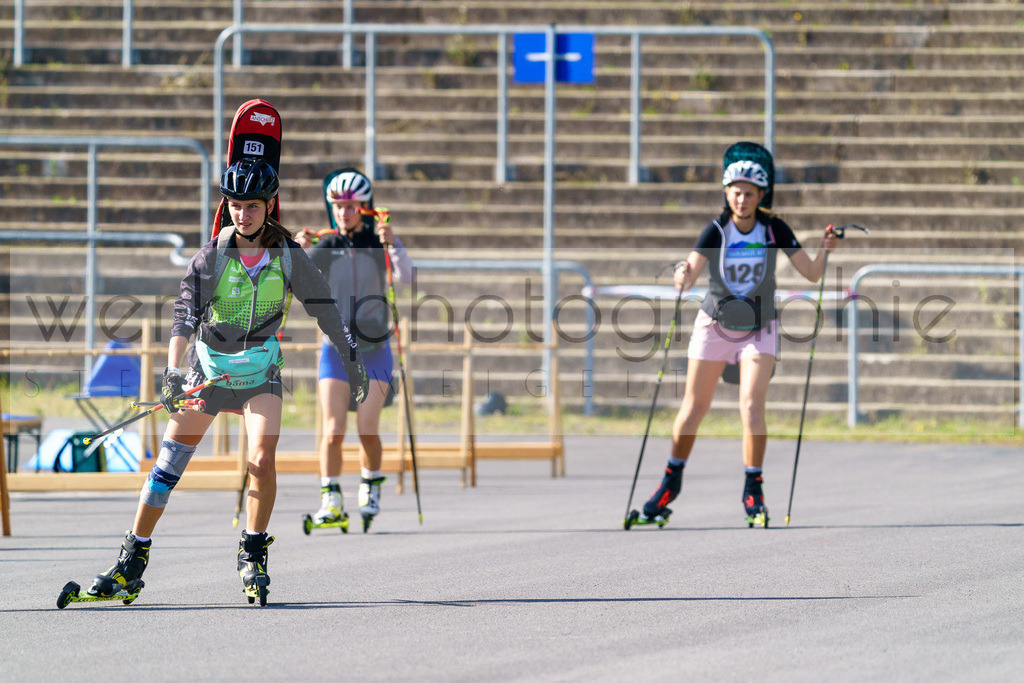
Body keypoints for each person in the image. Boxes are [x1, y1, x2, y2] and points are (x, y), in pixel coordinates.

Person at [86, 158, 369, 604]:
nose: (243, 213)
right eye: (236, 205)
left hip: (260, 373)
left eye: (252, 205)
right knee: (167, 468)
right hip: (208, 371)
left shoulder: (289, 256)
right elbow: (184, 316)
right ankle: (131, 560)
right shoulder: (213, 257)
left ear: (268, 206)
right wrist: (173, 372)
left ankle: (253, 552)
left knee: (262, 456)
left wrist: (352, 359)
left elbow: (326, 308)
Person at [639, 156, 838, 528]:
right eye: (735, 193)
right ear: (727, 195)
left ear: (760, 195)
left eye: (748, 194)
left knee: (751, 407)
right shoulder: (716, 230)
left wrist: (826, 249)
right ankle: (671, 481)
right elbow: (690, 276)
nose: (741, 200)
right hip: (715, 323)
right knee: (694, 407)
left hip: (759, 326)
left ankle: (753, 487)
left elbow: (811, 273)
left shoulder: (774, 228)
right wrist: (681, 275)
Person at [295, 168, 413, 532]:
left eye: (351, 206)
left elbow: (407, 279)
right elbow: (292, 281)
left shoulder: (378, 244)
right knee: (332, 431)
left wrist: (394, 244)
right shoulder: (327, 246)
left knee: (367, 429)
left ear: (365, 207)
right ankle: (330, 498)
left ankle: (370, 482)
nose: (344, 212)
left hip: (376, 348)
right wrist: (296, 252)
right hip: (336, 349)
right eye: (337, 206)